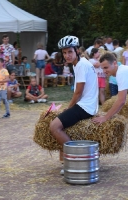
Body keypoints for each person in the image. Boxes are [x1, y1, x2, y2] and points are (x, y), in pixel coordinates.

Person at [49, 35, 98, 174]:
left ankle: (74, 160)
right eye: (64, 53)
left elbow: (78, 92)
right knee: (61, 123)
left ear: (77, 50)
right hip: (87, 105)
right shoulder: (79, 64)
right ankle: (66, 159)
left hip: (85, 107)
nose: (67, 55)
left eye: (70, 51)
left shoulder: (81, 65)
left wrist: (69, 107)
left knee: (54, 127)